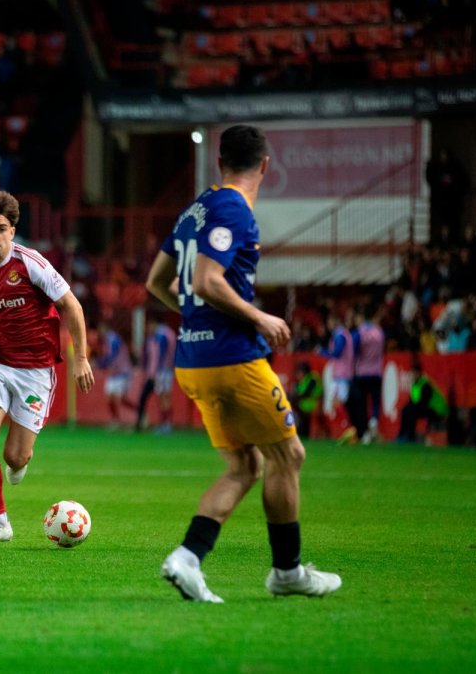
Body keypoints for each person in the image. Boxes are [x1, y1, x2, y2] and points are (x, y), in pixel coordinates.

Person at [144, 124, 341, 602]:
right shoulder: (233, 207)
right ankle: (287, 572)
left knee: (244, 466)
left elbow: (156, 282)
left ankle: (188, 559)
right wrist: (259, 317)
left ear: (218, 162)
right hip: (231, 356)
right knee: (288, 455)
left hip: (193, 358)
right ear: (265, 165)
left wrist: (194, 317)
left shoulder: (196, 209)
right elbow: (208, 281)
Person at [0, 190, 94, 544]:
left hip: (36, 371)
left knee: (15, 456)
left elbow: (71, 306)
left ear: (12, 231)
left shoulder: (30, 263)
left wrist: (80, 358)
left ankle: (19, 463)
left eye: (1, 228)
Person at [135, 316, 176, 434]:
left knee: (163, 397)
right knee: (165, 397)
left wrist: (156, 371)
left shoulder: (161, 335)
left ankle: (165, 424)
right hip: (167, 370)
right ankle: (166, 423)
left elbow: (161, 354)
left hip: (162, 370)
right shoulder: (169, 333)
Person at [322, 312, 358, 443]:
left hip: (342, 374)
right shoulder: (342, 335)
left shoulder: (340, 335)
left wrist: (323, 352)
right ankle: (346, 431)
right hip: (340, 374)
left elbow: (337, 353)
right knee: (335, 402)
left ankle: (349, 430)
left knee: (338, 402)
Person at [352, 304, 386, 444]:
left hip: (361, 372)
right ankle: (373, 421)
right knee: (376, 401)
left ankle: (365, 433)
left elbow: (354, 351)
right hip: (376, 372)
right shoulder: (380, 332)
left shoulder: (359, 332)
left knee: (362, 404)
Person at [95, 321, 134, 430]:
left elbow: (111, 355)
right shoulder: (106, 340)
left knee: (121, 399)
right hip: (114, 373)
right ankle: (115, 420)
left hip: (122, 372)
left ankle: (140, 413)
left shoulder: (112, 339)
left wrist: (100, 363)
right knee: (110, 397)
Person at [397, 362, 448, 443]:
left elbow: (423, 402)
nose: (413, 375)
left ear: (419, 373)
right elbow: (413, 401)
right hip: (425, 408)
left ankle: (410, 437)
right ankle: (402, 435)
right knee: (405, 410)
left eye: (414, 373)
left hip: (436, 410)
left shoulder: (425, 384)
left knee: (411, 411)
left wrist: (411, 407)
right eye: (412, 373)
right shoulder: (415, 384)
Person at [289, 361, 322, 439]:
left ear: (303, 371)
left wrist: (295, 398)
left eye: (298, 372)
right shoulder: (302, 381)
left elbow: (307, 393)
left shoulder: (312, 379)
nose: (297, 375)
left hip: (313, 405)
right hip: (303, 407)